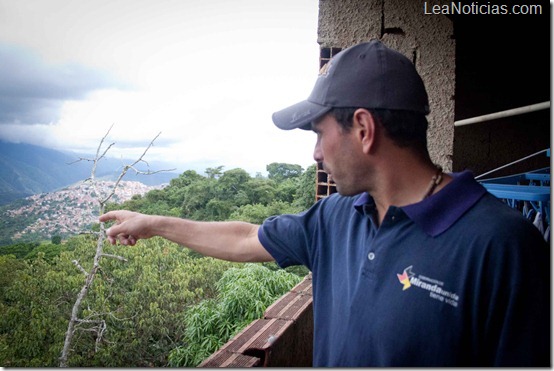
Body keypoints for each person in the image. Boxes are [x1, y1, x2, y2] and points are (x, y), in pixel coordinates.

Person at [99, 40, 550, 367]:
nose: (315, 154)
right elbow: (245, 238)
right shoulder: (336, 216)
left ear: (363, 128)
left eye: (318, 133)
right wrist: (153, 223)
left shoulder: (503, 247)